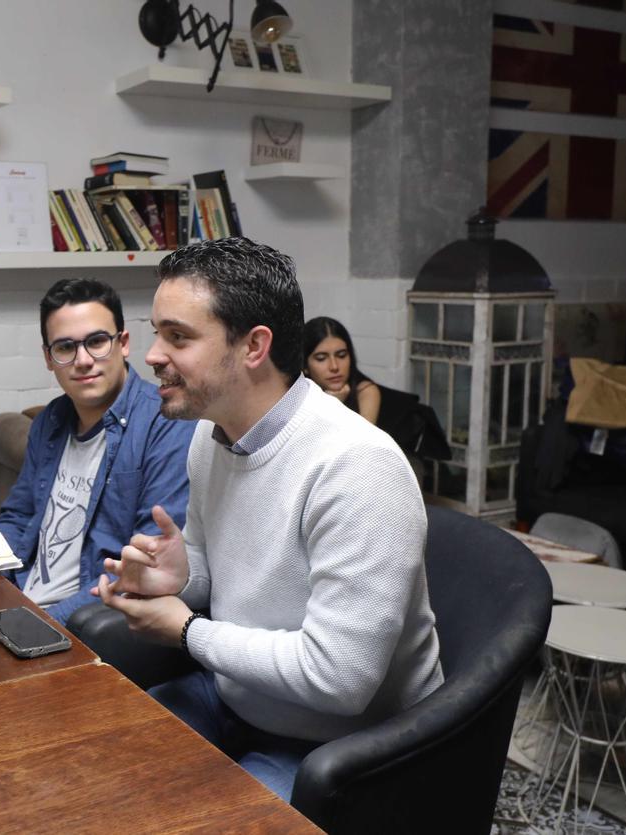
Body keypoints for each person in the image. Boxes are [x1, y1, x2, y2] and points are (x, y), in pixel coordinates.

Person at [94, 238, 443, 801]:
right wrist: (182, 577)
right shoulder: (212, 434)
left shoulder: (357, 467)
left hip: (343, 746)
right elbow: (228, 579)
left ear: (254, 346)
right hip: (237, 697)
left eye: (178, 336)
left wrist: (186, 630)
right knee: (90, 766)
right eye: (157, 332)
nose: (152, 355)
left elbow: (339, 679)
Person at [0, 278, 195, 625]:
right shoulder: (50, 421)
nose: (83, 360)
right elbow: (18, 517)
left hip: (78, 621)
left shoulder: (165, 424)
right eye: (65, 348)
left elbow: (143, 567)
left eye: (97, 342)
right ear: (48, 357)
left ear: (124, 343)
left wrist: (39, 622)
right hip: (20, 600)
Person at [303, 316, 381, 423]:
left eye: (341, 355)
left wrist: (336, 406)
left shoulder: (365, 391)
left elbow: (362, 439)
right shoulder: (296, 395)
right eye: (321, 358)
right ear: (304, 366)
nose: (334, 366)